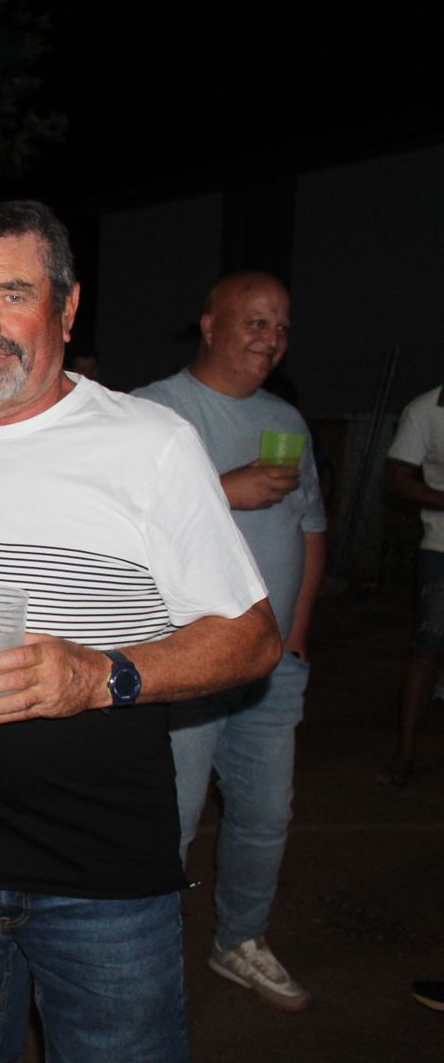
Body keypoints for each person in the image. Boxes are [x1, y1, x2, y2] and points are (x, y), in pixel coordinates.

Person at [0, 200, 281, 1062]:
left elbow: (251, 637)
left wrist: (103, 675)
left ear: (65, 308)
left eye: (11, 293)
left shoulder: (150, 446)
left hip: (100, 879)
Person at [135, 272, 326, 1011]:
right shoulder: (155, 413)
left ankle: (238, 940)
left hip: (273, 663)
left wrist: (298, 632)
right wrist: (224, 487)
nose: (269, 338)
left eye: (279, 326)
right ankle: (145, 953)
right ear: (210, 324)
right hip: (187, 661)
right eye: (253, 322)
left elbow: (311, 528)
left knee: (265, 811)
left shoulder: (290, 420)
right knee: (171, 819)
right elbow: (115, 530)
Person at [385, 385, 444, 788]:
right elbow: (399, 477)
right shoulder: (425, 409)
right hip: (441, 548)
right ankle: (405, 754)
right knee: (427, 651)